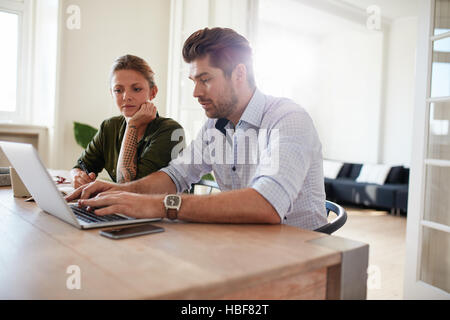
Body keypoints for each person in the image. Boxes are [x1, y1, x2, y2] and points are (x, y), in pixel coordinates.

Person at [67, 28, 328, 230]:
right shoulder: (215, 126)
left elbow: (266, 205)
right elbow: (175, 176)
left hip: (297, 253)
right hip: (244, 242)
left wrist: (158, 205)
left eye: (205, 80)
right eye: (193, 81)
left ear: (239, 74)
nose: (196, 92)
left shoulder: (288, 119)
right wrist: (120, 192)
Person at [71, 54, 184, 188]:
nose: (126, 97)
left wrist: (133, 125)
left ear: (153, 92)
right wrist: (77, 176)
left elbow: (129, 186)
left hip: (162, 207)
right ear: (111, 93)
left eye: (136, 89)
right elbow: (80, 166)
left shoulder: (171, 131)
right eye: (118, 90)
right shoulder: (109, 127)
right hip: (123, 207)